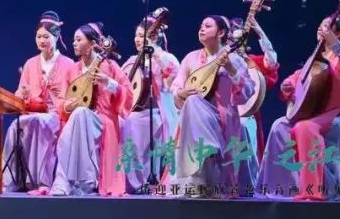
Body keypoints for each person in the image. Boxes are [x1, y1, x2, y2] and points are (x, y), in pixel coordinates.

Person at [258, 15, 340, 201]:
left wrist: (334, 43)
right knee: (279, 126)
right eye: (320, 25)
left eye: (326, 26)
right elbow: (299, 77)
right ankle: (282, 188)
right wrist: (288, 84)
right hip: (317, 114)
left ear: (338, 33)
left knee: (305, 128)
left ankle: (312, 191)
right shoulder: (317, 59)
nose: (320, 28)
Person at [42, 22, 130, 196]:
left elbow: (128, 95)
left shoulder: (110, 66)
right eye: (74, 40)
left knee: (80, 114)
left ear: (92, 44)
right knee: (79, 114)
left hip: (102, 120)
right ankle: (80, 180)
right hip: (76, 120)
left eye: (78, 40)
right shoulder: (72, 70)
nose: (73, 43)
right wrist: (66, 106)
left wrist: (110, 83)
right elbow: (62, 101)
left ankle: (66, 182)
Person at [169, 15, 254, 194]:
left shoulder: (234, 60)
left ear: (221, 32)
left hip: (222, 120)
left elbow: (247, 93)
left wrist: (231, 69)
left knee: (193, 102)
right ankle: (208, 149)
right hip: (195, 119)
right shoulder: (190, 58)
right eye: (201, 26)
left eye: (208, 26)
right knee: (193, 101)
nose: (202, 29)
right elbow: (176, 86)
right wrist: (180, 93)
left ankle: (210, 153)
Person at [1, 11, 75, 191]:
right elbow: (20, 93)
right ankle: (11, 180)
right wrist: (23, 94)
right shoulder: (30, 63)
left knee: (40, 122)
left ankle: (40, 181)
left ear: (56, 37)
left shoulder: (69, 64)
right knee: (15, 126)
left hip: (56, 114)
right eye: (39, 36)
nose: (42, 40)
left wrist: (61, 100)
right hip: (33, 111)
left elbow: (75, 95)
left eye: (46, 37)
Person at [119, 17, 178, 192]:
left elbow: (174, 77)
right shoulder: (132, 60)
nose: (137, 39)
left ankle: (141, 181)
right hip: (134, 112)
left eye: (142, 36)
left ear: (153, 37)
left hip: (157, 112)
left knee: (135, 122)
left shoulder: (164, 57)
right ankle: (126, 181)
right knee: (122, 122)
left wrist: (155, 53)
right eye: (136, 35)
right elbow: (121, 83)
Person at [231, 15, 279, 186]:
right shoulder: (219, 60)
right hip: (222, 112)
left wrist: (259, 31)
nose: (236, 44)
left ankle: (247, 183)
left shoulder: (252, 62)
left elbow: (271, 61)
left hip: (245, 114)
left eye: (240, 40)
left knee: (244, 126)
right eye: (231, 39)